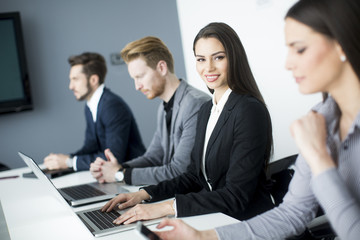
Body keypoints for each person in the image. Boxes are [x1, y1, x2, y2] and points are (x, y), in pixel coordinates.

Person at [154, 0, 360, 239]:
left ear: (341, 45)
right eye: (200, 59)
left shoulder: (254, 111)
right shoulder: (320, 119)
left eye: (300, 49)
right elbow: (293, 213)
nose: (288, 62)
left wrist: (320, 160)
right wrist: (203, 236)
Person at [101, 22, 274, 225]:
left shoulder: (248, 110)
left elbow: (236, 195)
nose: (208, 67)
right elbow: (193, 176)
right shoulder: (207, 110)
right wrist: (145, 194)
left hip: (249, 223)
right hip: (216, 218)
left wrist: (165, 207)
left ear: (234, 58)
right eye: (201, 59)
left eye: (218, 57)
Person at [89, 37, 210, 185]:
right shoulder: (164, 107)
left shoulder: (195, 104)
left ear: (162, 68)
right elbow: (153, 157)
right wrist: (115, 168)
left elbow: (179, 170)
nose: (137, 86)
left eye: (140, 77)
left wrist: (120, 174)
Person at [44, 52, 146, 171]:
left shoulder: (112, 106)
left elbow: (114, 158)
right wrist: (64, 159)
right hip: (113, 176)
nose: (70, 86)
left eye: (75, 79)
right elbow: (90, 147)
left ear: (93, 80)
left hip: (132, 176)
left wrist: (69, 162)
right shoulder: (90, 106)